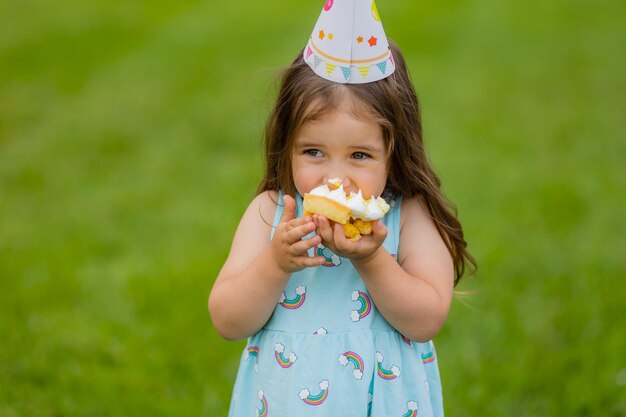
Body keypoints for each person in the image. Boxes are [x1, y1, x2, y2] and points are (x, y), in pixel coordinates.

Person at [209, 2, 475, 416]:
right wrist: (275, 264)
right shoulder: (271, 213)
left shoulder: (408, 215)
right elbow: (227, 320)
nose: (335, 179)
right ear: (287, 145)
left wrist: (372, 260)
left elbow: (427, 319)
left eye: (359, 155)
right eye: (313, 151)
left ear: (393, 152)